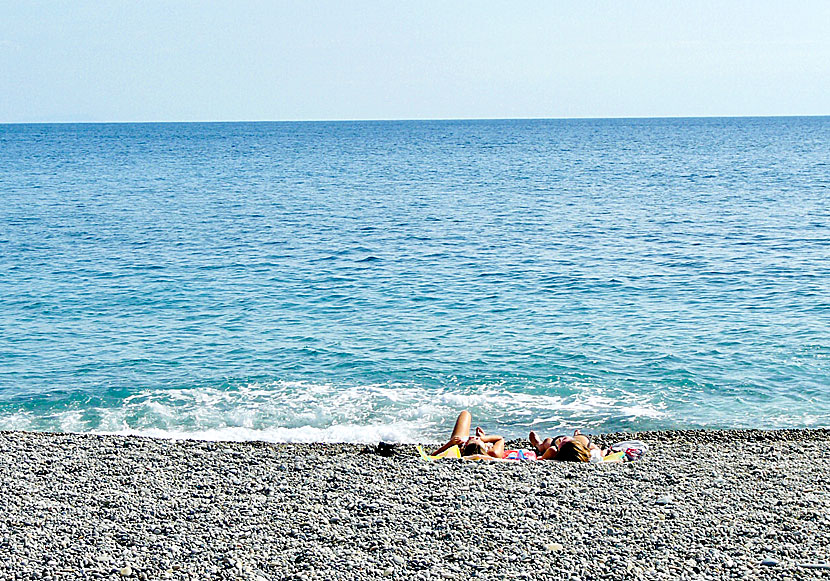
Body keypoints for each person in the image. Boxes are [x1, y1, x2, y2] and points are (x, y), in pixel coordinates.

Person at [431, 410, 506, 460]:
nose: (474, 437)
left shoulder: (459, 450)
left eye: (472, 438)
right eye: (477, 438)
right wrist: (483, 438)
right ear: (486, 447)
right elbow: (500, 439)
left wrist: (451, 443)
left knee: (465, 413)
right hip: (474, 445)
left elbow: (433, 456)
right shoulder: (494, 453)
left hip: (462, 442)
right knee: (465, 414)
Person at [529, 429, 600, 462]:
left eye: (562, 441)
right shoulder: (588, 449)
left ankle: (538, 444)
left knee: (547, 442)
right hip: (578, 442)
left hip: (557, 444)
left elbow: (540, 458)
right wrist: (608, 451)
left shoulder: (553, 450)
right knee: (580, 442)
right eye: (563, 439)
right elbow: (602, 452)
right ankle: (576, 435)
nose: (560, 440)